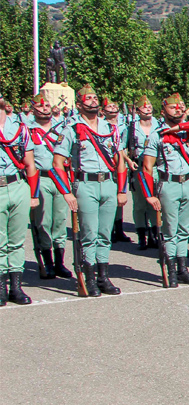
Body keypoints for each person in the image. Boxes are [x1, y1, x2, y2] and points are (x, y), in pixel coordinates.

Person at [51, 85, 129, 296]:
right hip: (85, 184)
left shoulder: (110, 128)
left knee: (105, 234)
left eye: (96, 98)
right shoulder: (72, 129)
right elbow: (57, 162)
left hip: (108, 183)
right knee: (89, 234)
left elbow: (119, 160)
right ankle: (89, 277)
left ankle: (103, 276)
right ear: (79, 104)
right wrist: (67, 192)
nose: (93, 101)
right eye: (89, 99)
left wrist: (121, 189)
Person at [139, 93, 189, 287]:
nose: (177, 110)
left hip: (187, 183)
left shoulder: (188, 132)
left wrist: (178, 127)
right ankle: (171, 270)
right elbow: (147, 167)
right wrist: (149, 195)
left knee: (184, 229)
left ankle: (183, 269)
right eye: (173, 108)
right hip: (168, 184)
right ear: (163, 112)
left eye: (180, 107)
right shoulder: (157, 136)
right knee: (170, 231)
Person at [27, 94, 73, 281]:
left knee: (60, 220)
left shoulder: (62, 127)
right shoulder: (28, 130)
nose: (45, 108)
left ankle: (60, 262)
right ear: (33, 109)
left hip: (60, 178)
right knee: (43, 221)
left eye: (47, 105)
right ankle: (47, 263)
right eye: (41, 106)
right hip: (42, 178)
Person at [0, 94, 41, 305]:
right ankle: (0, 287)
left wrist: (33, 194)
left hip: (17, 185)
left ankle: (16, 287)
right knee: (0, 241)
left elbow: (30, 163)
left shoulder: (19, 128)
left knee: (16, 241)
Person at [121, 95, 160, 252]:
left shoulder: (159, 125)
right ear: (137, 111)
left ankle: (154, 235)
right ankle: (141, 236)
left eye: (149, 106)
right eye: (144, 107)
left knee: (155, 203)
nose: (148, 108)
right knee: (139, 204)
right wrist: (128, 161)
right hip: (138, 168)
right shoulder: (130, 128)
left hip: (155, 168)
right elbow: (121, 148)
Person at [103, 98, 131, 244]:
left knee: (120, 194)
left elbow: (123, 147)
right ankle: (108, 229)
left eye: (115, 105)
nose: (113, 108)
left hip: (121, 162)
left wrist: (126, 160)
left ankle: (119, 228)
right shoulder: (101, 126)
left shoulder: (124, 126)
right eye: (109, 106)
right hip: (107, 164)